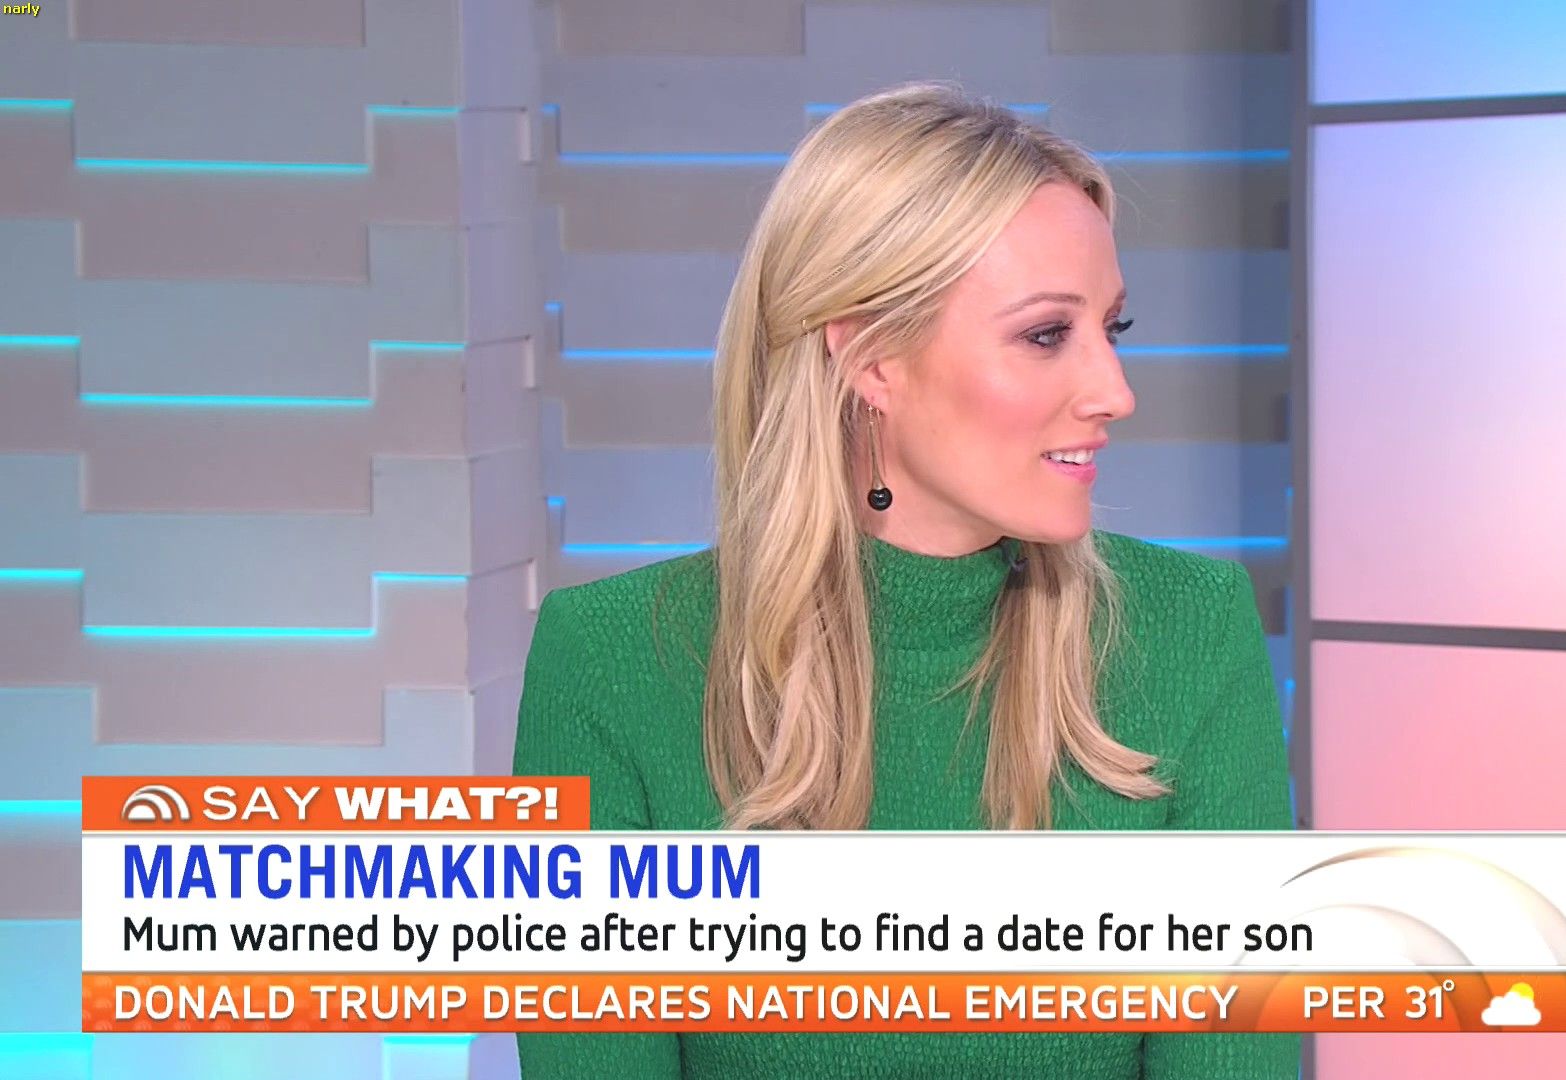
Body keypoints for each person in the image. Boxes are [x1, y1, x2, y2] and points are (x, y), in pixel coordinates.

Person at [514, 80, 1297, 1079]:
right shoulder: (611, 661)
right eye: (1047, 335)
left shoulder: (1193, 633)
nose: (1115, 391)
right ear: (872, 356)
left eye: (1114, 329)